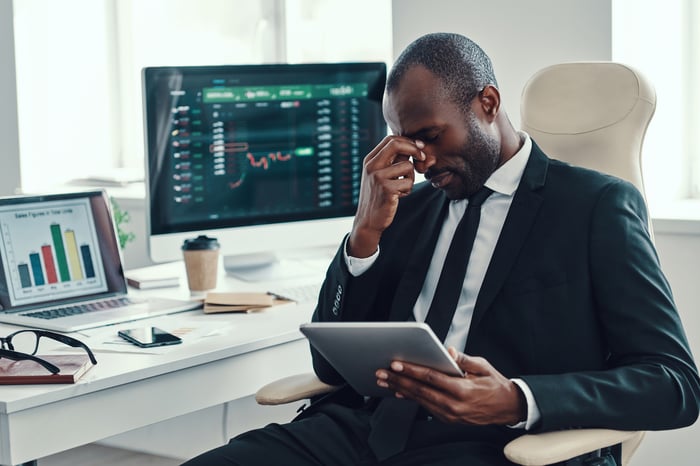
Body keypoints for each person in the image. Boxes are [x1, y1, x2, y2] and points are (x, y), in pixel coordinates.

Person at [183, 32, 700, 466]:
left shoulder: (596, 206)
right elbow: (328, 369)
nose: (421, 160)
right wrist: (362, 236)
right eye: (406, 141)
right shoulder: (407, 208)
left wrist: (516, 399)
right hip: (367, 433)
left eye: (431, 135)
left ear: (488, 103)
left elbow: (674, 384)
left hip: (499, 446)